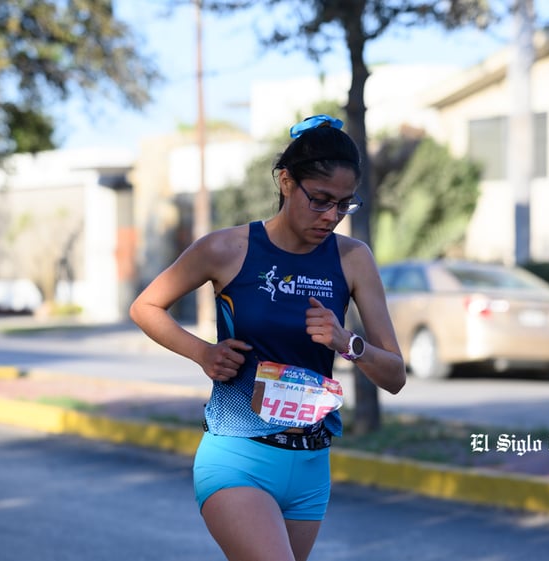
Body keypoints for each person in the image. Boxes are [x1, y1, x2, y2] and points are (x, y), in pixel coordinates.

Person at [129, 114, 406, 561]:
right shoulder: (227, 248)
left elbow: (394, 375)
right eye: (319, 200)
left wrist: (346, 342)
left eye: (343, 204)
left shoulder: (353, 259)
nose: (331, 216)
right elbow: (145, 306)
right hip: (239, 456)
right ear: (285, 182)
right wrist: (203, 353)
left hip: (312, 462)